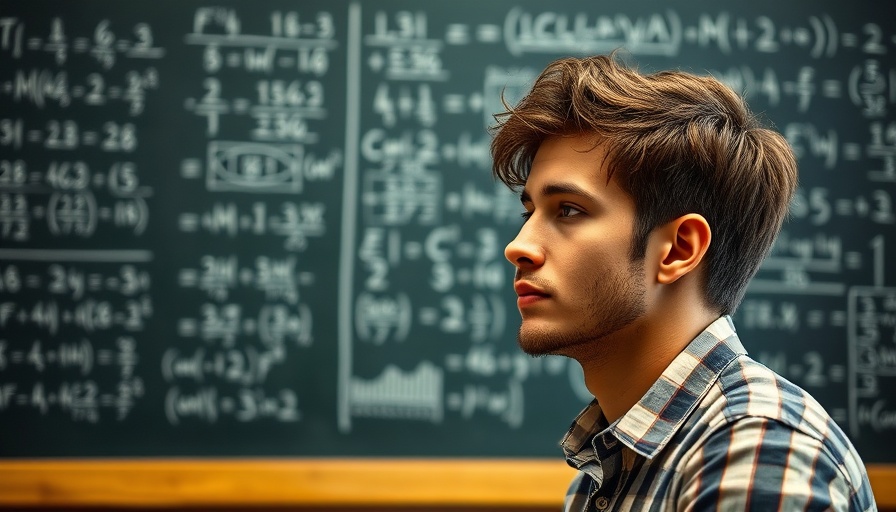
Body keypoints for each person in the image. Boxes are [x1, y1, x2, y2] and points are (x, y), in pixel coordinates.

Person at [489, 53, 876, 511]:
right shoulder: (605, 476)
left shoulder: (757, 449)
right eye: (529, 212)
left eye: (568, 210)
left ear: (678, 249)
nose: (518, 246)